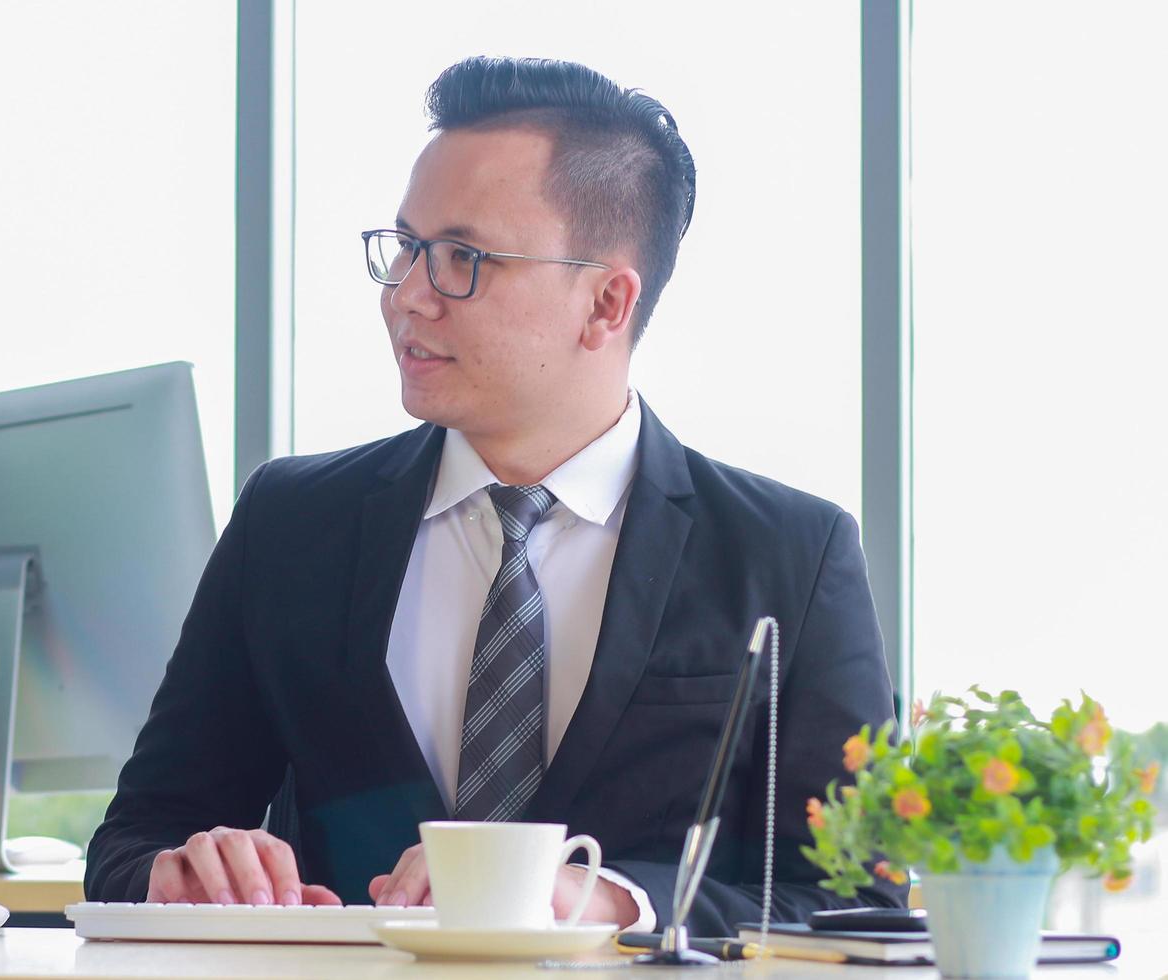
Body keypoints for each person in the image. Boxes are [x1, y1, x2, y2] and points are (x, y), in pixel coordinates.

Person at [86, 55, 905, 936]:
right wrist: (186, 870)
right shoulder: (291, 523)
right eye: (405, 248)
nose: (406, 296)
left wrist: (612, 899)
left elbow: (859, 901)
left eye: (463, 260)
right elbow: (133, 843)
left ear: (605, 303)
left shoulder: (791, 553)